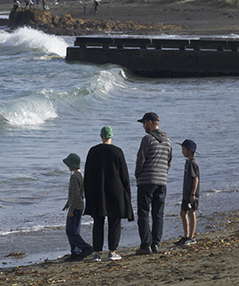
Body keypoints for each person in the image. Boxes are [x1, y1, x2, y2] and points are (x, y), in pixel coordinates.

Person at [84, 126, 134, 261]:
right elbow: (124, 176)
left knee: (98, 222)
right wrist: (127, 194)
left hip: (97, 191)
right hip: (115, 191)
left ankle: (97, 254)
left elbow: (87, 174)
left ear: (101, 137)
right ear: (111, 136)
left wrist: (87, 193)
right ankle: (112, 252)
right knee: (114, 222)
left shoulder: (93, 151)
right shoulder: (117, 152)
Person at [135, 112, 172, 255]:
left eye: (144, 123)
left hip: (146, 180)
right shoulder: (168, 141)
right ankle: (156, 243)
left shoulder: (147, 139)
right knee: (158, 213)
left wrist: (138, 174)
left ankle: (146, 244)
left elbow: (140, 160)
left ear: (150, 122)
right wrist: (163, 175)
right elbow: (169, 162)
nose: (143, 126)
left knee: (144, 213)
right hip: (162, 181)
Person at [62, 153, 94, 261]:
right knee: (74, 230)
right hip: (77, 206)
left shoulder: (74, 177)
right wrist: (67, 205)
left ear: (71, 165)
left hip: (75, 207)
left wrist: (71, 209)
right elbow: (78, 194)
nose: (67, 167)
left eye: (68, 164)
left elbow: (75, 195)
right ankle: (75, 252)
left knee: (70, 231)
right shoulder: (81, 175)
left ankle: (86, 247)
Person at [175, 139, 199, 246]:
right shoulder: (187, 162)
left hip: (192, 194)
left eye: (184, 149)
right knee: (183, 212)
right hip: (186, 193)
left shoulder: (193, 163)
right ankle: (186, 236)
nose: (182, 152)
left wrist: (193, 194)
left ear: (190, 151)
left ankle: (191, 237)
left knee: (191, 212)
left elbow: (196, 179)